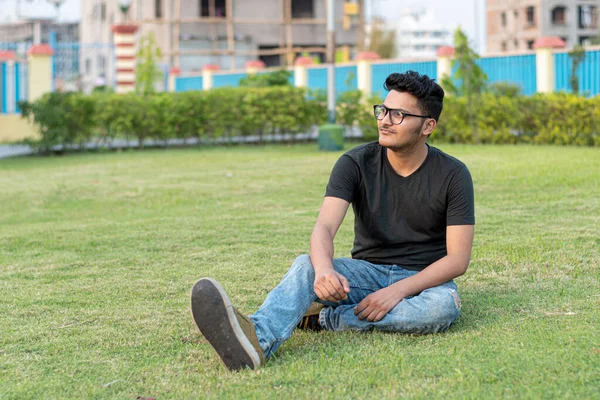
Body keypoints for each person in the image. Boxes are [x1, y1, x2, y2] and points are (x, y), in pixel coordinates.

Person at [190, 71, 475, 371]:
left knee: (441, 308)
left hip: (423, 281)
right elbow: (324, 228)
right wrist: (325, 272)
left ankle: (324, 318)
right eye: (383, 110)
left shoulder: (453, 174)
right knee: (306, 265)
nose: (385, 120)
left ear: (428, 125)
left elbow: (457, 259)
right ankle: (256, 340)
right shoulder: (354, 163)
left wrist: (397, 291)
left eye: (399, 114)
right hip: (365, 275)